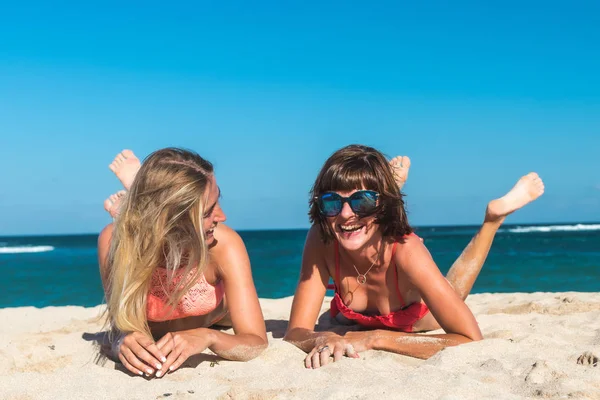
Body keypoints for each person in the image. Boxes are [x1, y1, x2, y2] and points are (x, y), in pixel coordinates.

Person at [284, 144, 544, 368]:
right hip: (350, 316)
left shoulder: (407, 250)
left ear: (381, 206)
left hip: (415, 319)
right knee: (329, 323)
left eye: (361, 201)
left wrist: (376, 338)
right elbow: (295, 331)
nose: (344, 214)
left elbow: (470, 339)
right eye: (331, 201)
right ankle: (381, 192)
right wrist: (322, 338)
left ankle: (492, 220)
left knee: (453, 291)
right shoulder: (322, 236)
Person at [98, 148, 267, 378]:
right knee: (133, 235)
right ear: (171, 221)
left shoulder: (223, 245)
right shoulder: (114, 243)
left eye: (217, 200)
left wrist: (208, 336)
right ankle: (137, 200)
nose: (222, 217)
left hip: (216, 318)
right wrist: (122, 340)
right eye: (207, 212)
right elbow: (119, 326)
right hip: (151, 236)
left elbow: (255, 341)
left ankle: (136, 195)